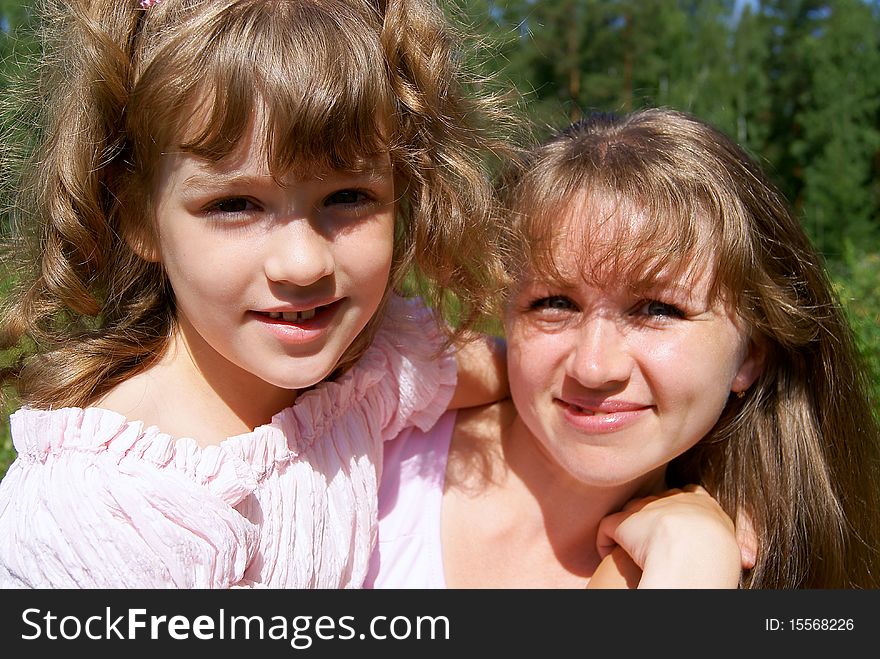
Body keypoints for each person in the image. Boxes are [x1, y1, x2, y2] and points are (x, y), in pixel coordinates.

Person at [0, 0, 516, 588]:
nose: (302, 263)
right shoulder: (119, 505)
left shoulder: (371, 369)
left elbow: (536, 380)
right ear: (138, 215)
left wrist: (642, 499)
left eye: (348, 197)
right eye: (234, 204)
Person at [366, 108, 880, 589]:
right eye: (554, 303)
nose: (593, 367)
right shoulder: (359, 442)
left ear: (751, 355)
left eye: (658, 310)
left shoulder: (747, 572)